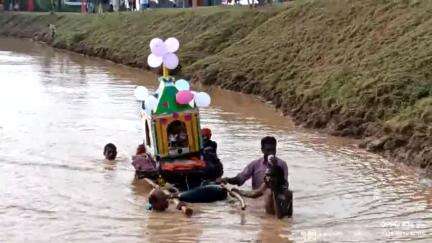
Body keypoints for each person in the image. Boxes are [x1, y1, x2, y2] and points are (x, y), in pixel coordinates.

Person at [222, 136, 288, 190]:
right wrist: (227, 180)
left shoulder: (282, 164)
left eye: (273, 150)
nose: (271, 153)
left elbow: (285, 185)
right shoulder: (255, 164)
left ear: (276, 149)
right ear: (262, 150)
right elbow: (240, 179)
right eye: (268, 150)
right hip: (258, 196)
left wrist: (275, 166)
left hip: (276, 196)